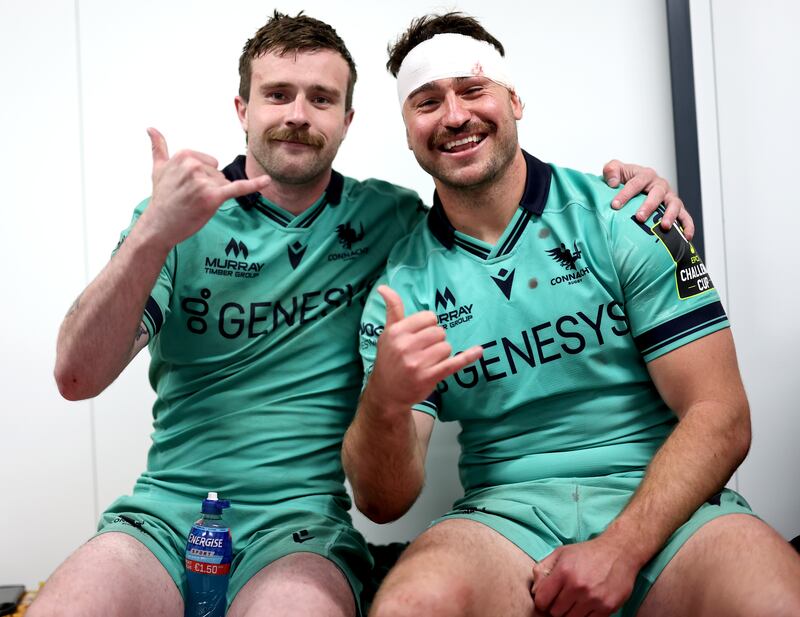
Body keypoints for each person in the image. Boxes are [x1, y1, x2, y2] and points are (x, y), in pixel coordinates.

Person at [35, 11, 688, 617]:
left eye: (321, 99)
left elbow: (490, 199)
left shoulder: (396, 224)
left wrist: (638, 189)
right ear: (242, 108)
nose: (297, 114)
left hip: (300, 529)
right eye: (278, 94)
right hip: (162, 512)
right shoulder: (177, 219)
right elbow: (75, 376)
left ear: (348, 120)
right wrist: (153, 233)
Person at [344, 12, 800, 617]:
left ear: (515, 101)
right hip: (506, 521)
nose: (454, 115)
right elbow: (382, 502)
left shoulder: (625, 220)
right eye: (427, 102)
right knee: (408, 606)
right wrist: (386, 399)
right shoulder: (401, 290)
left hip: (666, 506)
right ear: (407, 129)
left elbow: (721, 413)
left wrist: (621, 548)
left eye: (473, 90)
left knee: (773, 598)